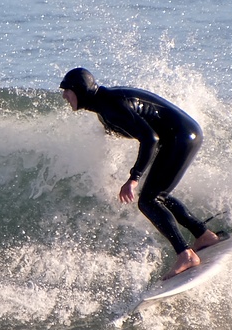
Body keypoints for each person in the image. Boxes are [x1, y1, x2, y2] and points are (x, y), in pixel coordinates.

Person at [60, 67, 220, 277]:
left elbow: (149, 138)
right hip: (178, 136)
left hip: (181, 137)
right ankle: (204, 235)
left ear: (79, 90)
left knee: (148, 200)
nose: (64, 95)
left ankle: (186, 254)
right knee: (157, 196)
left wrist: (133, 178)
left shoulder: (111, 106)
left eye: (67, 90)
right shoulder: (104, 107)